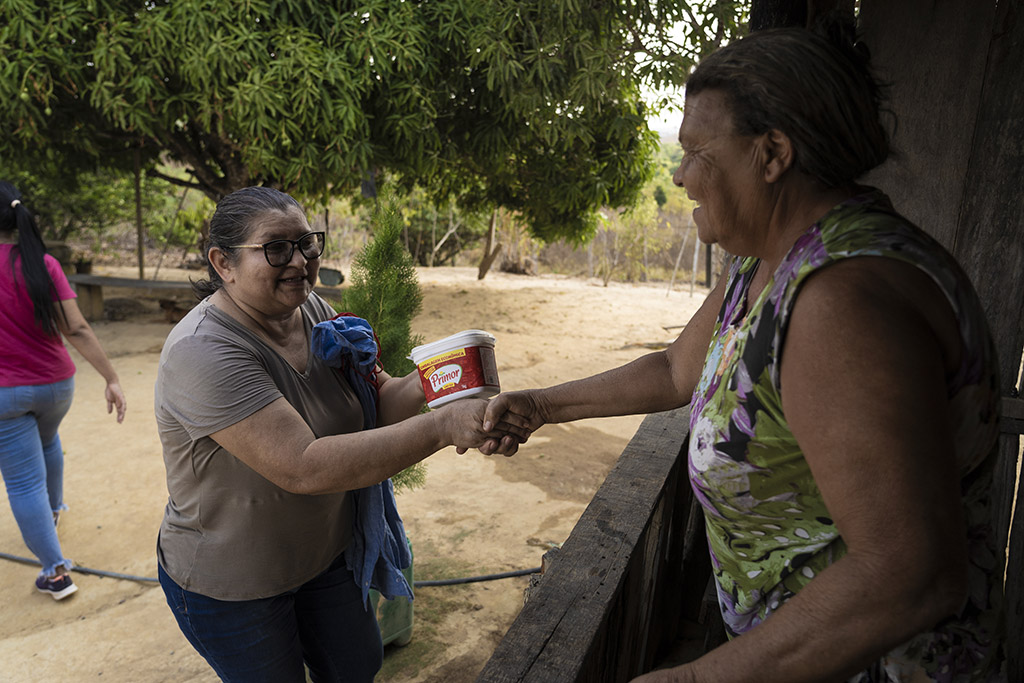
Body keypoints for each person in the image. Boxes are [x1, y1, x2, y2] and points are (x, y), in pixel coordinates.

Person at [480, 20, 1005, 683]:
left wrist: (697, 677)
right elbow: (678, 369)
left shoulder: (840, 304)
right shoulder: (766, 263)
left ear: (772, 152)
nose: (680, 175)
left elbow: (911, 576)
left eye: (698, 151)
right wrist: (541, 406)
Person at [154, 186, 521, 683]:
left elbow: (378, 405)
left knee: (357, 665)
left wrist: (450, 377)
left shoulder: (312, 312)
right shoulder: (204, 351)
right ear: (224, 263)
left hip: (323, 557)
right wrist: (440, 427)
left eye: (307, 243)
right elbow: (303, 465)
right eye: (276, 248)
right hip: (235, 583)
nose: (299, 261)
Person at [0, 181, 127, 601]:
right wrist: (111, 377)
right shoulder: (42, 264)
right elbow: (76, 327)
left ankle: (55, 574)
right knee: (48, 440)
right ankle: (54, 510)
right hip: (57, 385)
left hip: (6, 395)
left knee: (22, 484)